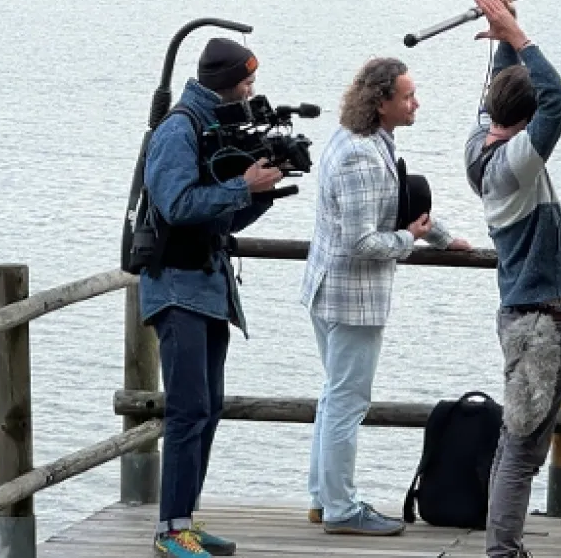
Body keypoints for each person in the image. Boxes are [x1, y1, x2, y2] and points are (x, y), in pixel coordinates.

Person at [299, 56, 471, 536]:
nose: (417, 103)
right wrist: (409, 241)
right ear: (381, 102)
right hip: (350, 298)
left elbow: (397, 205)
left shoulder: (358, 139)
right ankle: (341, 508)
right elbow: (363, 242)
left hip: (329, 289)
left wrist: (442, 237)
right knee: (347, 402)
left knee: (334, 396)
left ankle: (323, 498)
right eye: (408, 96)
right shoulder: (361, 156)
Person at [139, 37, 285, 558]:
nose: (250, 90)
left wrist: (262, 191)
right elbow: (176, 205)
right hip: (176, 290)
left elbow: (221, 221)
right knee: (187, 410)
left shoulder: (213, 127)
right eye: (246, 81)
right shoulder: (178, 129)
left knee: (208, 408)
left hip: (208, 289)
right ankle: (169, 531)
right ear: (224, 83)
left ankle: (185, 522)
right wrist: (242, 186)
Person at [463, 0, 561, 558]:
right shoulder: (517, 164)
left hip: (522, 315)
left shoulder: (478, 148)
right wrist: (519, 38)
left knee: (517, 439)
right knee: (524, 448)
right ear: (528, 124)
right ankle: (503, 551)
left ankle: (503, 546)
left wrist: (505, 40)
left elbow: (500, 99)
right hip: (539, 323)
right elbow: (559, 99)